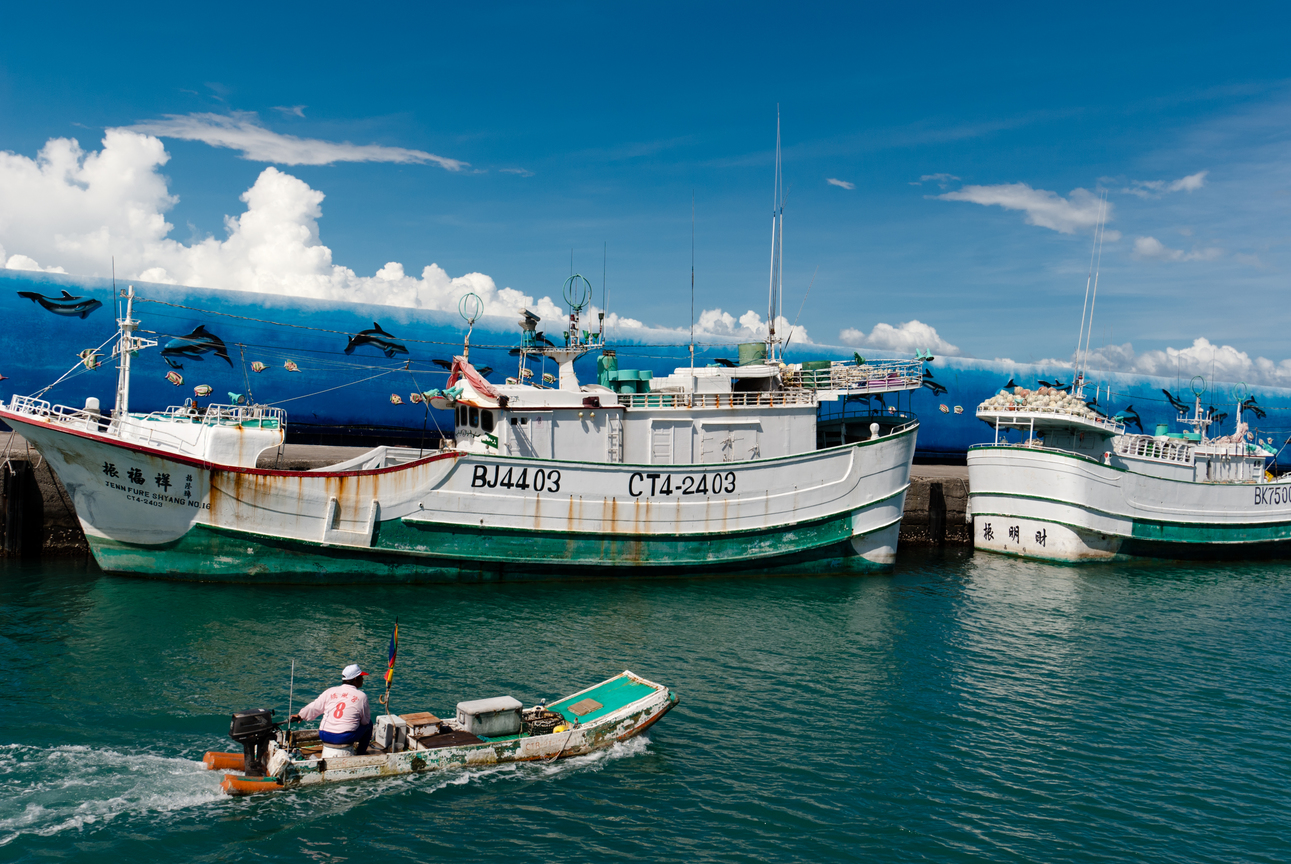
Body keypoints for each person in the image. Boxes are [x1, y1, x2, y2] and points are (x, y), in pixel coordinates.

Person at [291, 664, 372, 756]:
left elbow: (314, 706)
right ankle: (360, 755)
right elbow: (365, 721)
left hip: (324, 734)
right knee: (369, 724)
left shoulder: (330, 691)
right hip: (344, 737)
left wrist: (300, 715)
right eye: (361, 677)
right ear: (355, 679)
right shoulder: (361, 696)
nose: (363, 679)